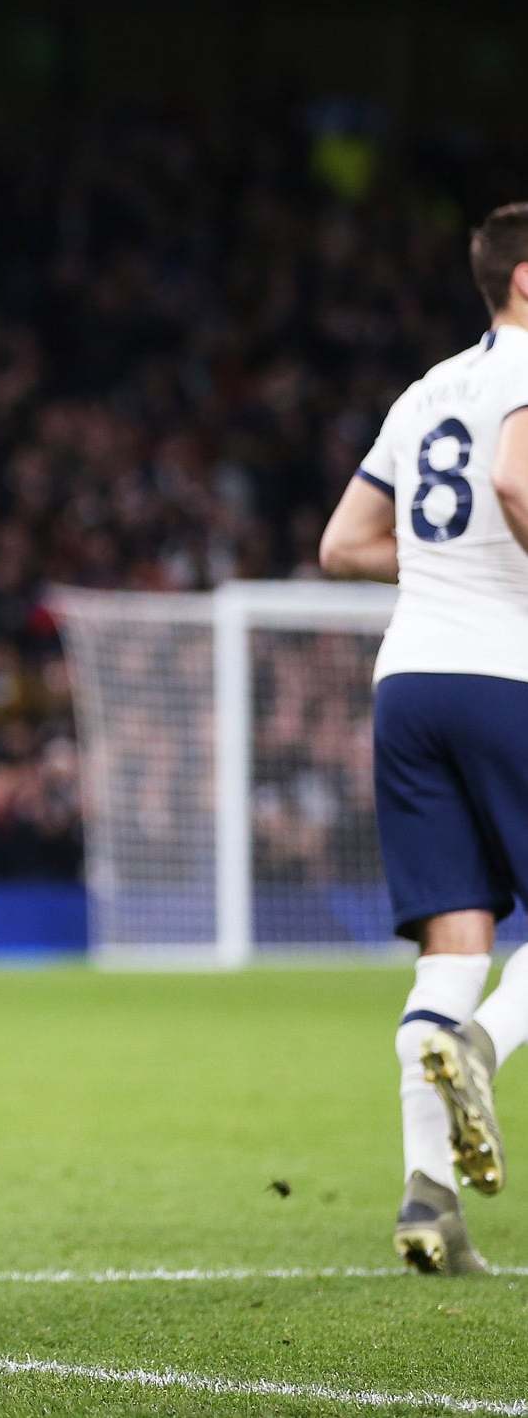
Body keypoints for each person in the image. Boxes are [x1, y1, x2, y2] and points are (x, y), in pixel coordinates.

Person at [318, 200, 528, 1275]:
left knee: (453, 945)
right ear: (523, 280)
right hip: (510, 674)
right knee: (475, 995)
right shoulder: (524, 373)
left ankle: (428, 1205)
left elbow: (342, 542)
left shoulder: (426, 387)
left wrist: (447, 567)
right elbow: (514, 479)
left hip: (410, 680)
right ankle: (482, 1045)